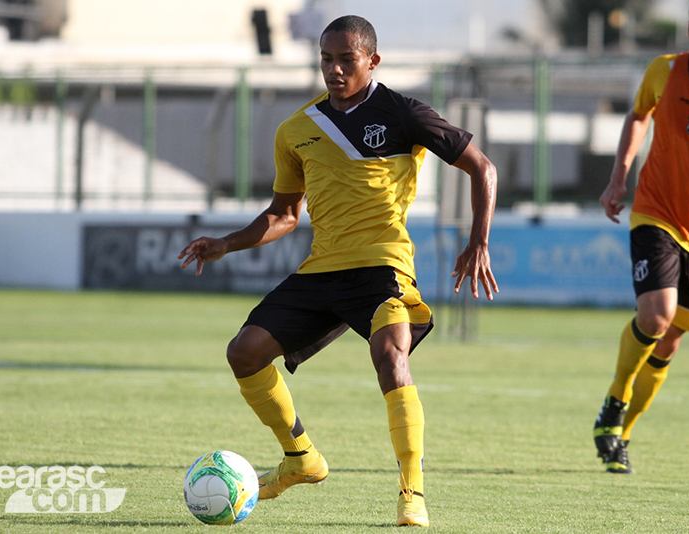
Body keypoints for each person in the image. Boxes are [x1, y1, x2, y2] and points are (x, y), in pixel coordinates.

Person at [178, 15, 498, 527]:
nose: (334, 69)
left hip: (382, 266)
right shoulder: (297, 129)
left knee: (391, 358)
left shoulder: (403, 112)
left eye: (346, 59)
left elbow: (482, 167)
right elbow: (285, 214)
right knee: (244, 352)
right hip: (322, 270)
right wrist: (226, 244)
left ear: (372, 60)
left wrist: (478, 240)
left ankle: (412, 493)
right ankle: (301, 457)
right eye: (326, 59)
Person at [593, 0, 689, 474]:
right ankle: (616, 399)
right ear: (688, 27)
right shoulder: (663, 70)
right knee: (656, 314)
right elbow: (638, 115)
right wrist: (619, 175)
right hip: (656, 211)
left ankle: (621, 433)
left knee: (670, 341)